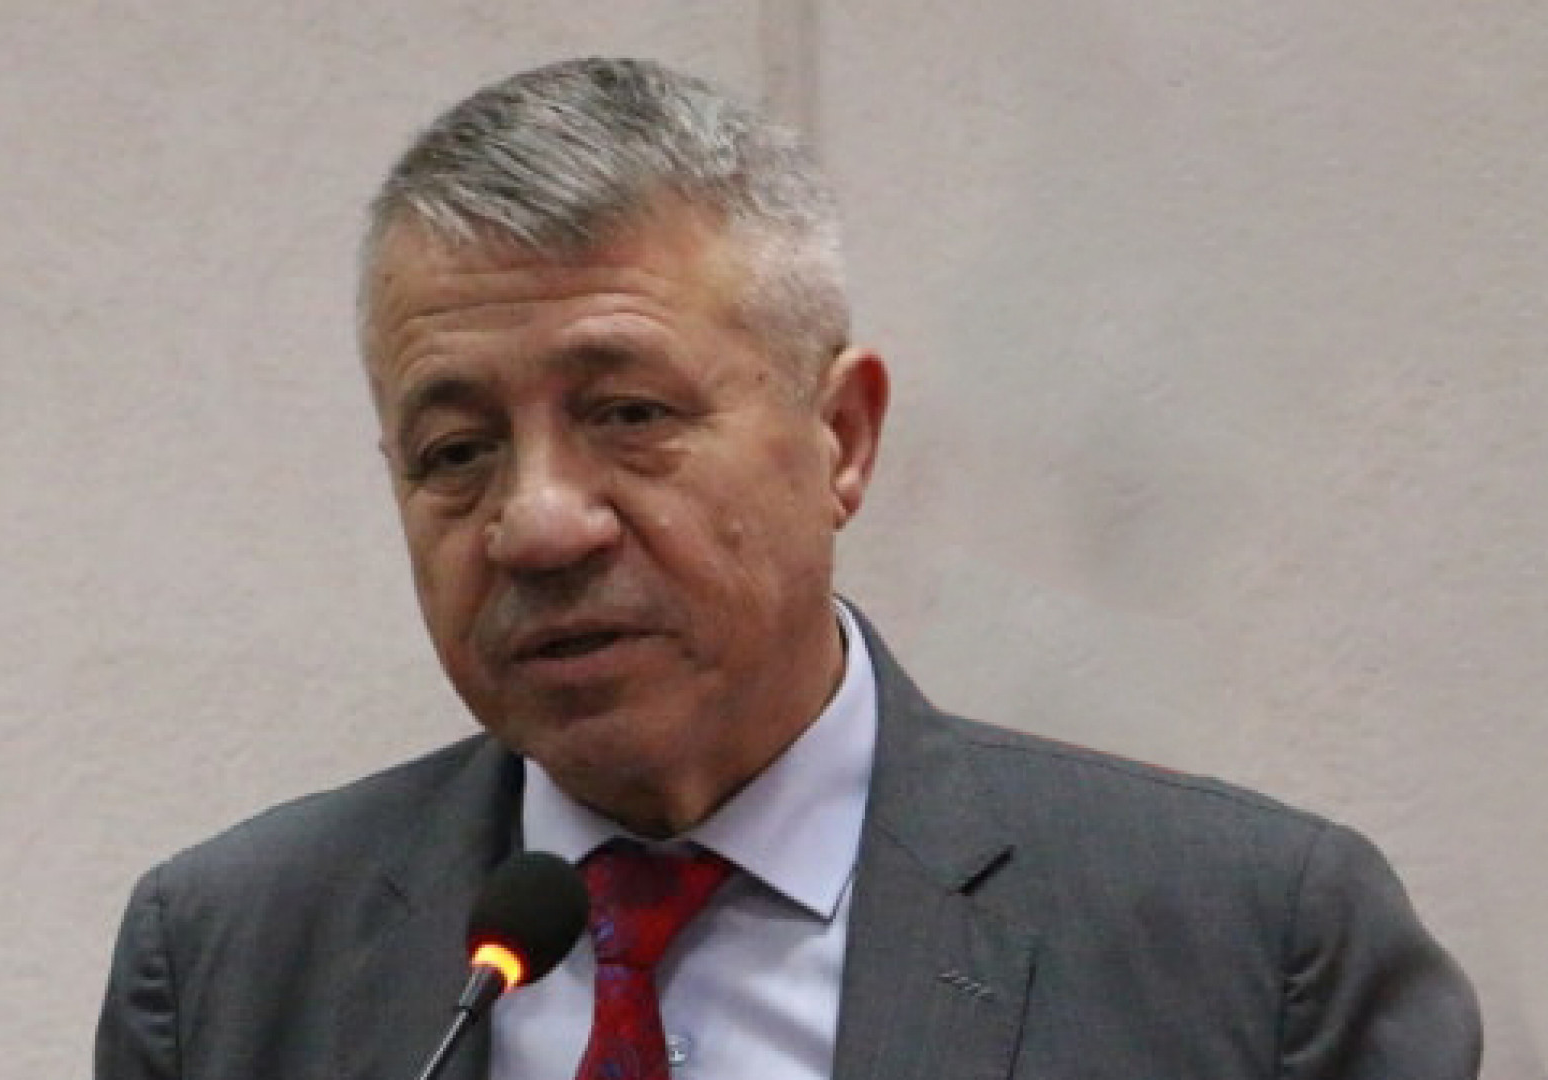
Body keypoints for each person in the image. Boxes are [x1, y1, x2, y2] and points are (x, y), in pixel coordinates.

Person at [94, 57, 1480, 1079]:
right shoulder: (230, 964)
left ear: (841, 438)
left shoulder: (1251, 950)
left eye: (628, 414)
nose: (541, 525)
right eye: (457, 450)